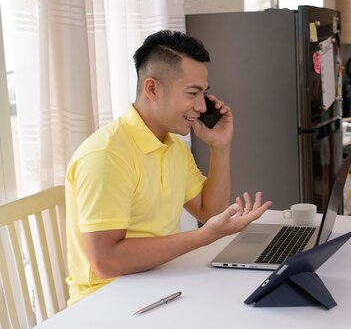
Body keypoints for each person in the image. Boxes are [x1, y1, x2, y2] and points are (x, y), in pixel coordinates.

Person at [65, 30, 272, 304]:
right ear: (152, 89)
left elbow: (209, 211)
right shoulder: (106, 156)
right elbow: (107, 262)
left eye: (204, 94)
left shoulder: (172, 146)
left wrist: (220, 146)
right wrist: (203, 237)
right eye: (192, 94)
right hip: (107, 301)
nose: (200, 106)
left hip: (158, 282)